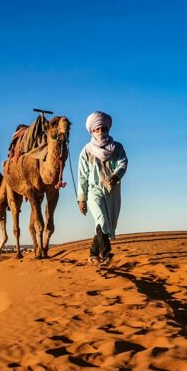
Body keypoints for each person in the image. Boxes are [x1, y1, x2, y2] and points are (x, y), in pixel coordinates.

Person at [77, 111, 128, 264]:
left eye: (103, 129)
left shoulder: (117, 147)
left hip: (112, 191)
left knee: (103, 223)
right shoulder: (86, 150)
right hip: (94, 190)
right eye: (97, 129)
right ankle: (106, 254)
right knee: (101, 219)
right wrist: (81, 199)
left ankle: (93, 253)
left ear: (108, 129)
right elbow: (82, 176)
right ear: (91, 131)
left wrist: (117, 175)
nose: (100, 132)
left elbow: (123, 163)